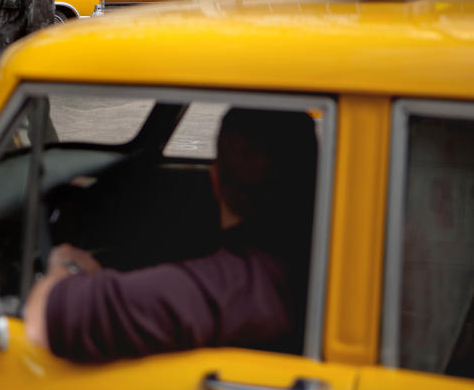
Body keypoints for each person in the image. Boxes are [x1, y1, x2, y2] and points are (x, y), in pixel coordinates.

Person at [24, 107, 317, 363]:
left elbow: (42, 321)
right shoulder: (310, 257)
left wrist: (65, 265)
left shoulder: (231, 288)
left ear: (214, 180)